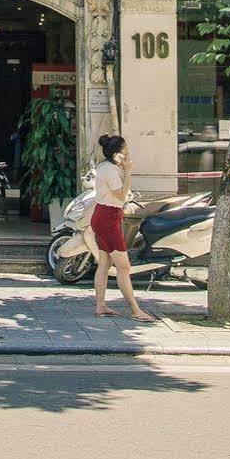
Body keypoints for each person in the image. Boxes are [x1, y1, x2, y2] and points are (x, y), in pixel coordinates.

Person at [89, 134, 155, 323]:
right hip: (108, 219)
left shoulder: (106, 167)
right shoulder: (110, 170)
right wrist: (129, 172)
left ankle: (101, 306)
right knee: (124, 266)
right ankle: (135, 310)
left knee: (104, 263)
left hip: (104, 216)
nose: (128, 150)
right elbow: (121, 196)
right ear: (118, 151)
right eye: (126, 147)